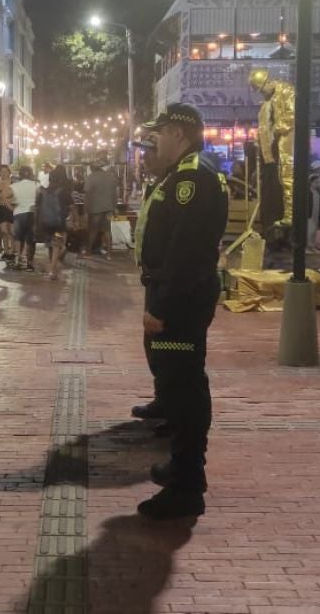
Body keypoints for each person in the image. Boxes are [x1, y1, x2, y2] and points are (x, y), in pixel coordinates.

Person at [134, 103, 228, 520]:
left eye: (159, 133)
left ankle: (188, 485)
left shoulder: (192, 179)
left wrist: (161, 306)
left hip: (180, 301)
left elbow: (184, 252)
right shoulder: (189, 173)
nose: (153, 140)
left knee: (184, 386)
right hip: (182, 295)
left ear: (179, 133)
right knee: (179, 381)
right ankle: (182, 467)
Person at [37, 168, 70, 281]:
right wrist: (75, 220)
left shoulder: (43, 191)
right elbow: (72, 206)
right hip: (59, 224)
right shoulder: (63, 191)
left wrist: (36, 223)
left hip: (46, 223)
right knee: (57, 246)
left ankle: (53, 270)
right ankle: (51, 270)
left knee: (51, 247)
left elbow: (37, 207)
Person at [83, 160, 119, 258]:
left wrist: (85, 210)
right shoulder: (110, 177)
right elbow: (115, 194)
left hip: (95, 209)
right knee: (107, 230)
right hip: (108, 208)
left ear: (92, 168)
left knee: (93, 231)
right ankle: (109, 254)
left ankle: (88, 252)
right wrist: (114, 207)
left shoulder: (91, 178)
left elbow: (87, 195)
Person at [9, 165, 39, 271]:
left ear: (20, 175)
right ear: (30, 173)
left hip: (18, 213)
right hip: (32, 213)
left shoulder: (14, 186)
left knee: (18, 238)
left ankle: (18, 261)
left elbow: (8, 199)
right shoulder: (36, 185)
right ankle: (29, 263)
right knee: (30, 239)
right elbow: (39, 200)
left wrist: (12, 208)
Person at [0, 164, 16, 262]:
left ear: (9, 172)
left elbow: (15, 196)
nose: (4, 173)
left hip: (11, 208)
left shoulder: (13, 183)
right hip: (1, 208)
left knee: (11, 231)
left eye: (5, 171)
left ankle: (12, 252)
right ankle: (6, 251)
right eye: (2, 171)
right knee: (4, 231)